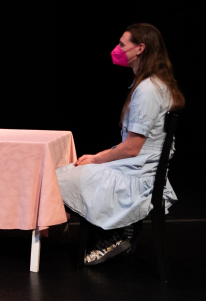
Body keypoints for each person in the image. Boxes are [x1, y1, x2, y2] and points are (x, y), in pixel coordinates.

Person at [56, 23, 185, 265]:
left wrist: (95, 158)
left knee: (59, 178)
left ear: (140, 49)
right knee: (72, 170)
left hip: (137, 177)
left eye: (122, 45)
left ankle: (118, 231)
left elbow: (132, 148)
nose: (117, 49)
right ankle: (110, 230)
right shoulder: (152, 84)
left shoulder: (148, 90)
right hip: (139, 168)